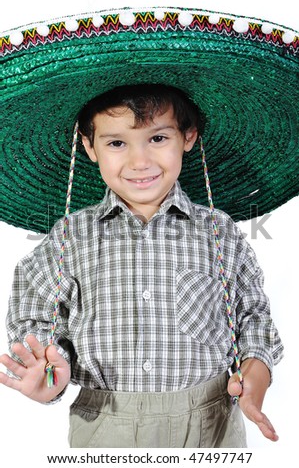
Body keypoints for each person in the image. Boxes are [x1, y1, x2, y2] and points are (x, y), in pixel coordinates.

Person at [0, 83, 283, 448]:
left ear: (188, 136)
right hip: (104, 425)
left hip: (211, 426)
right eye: (117, 143)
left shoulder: (219, 231)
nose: (140, 162)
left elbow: (252, 315)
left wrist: (255, 372)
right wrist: (51, 364)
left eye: (158, 138)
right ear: (89, 146)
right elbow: (37, 317)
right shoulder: (70, 237)